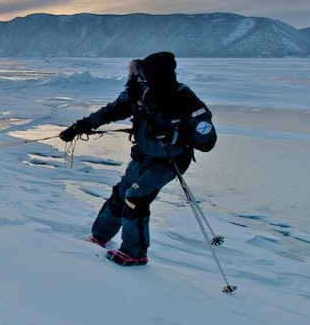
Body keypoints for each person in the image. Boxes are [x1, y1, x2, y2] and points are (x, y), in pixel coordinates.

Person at [59, 52, 217, 266]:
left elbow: (206, 141)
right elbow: (110, 112)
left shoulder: (183, 98)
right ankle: (99, 237)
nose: (139, 79)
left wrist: (173, 135)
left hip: (169, 161)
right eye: (138, 74)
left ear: (159, 76)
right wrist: (81, 126)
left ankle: (135, 253)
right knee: (121, 194)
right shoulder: (137, 93)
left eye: (143, 75)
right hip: (143, 155)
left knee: (136, 198)